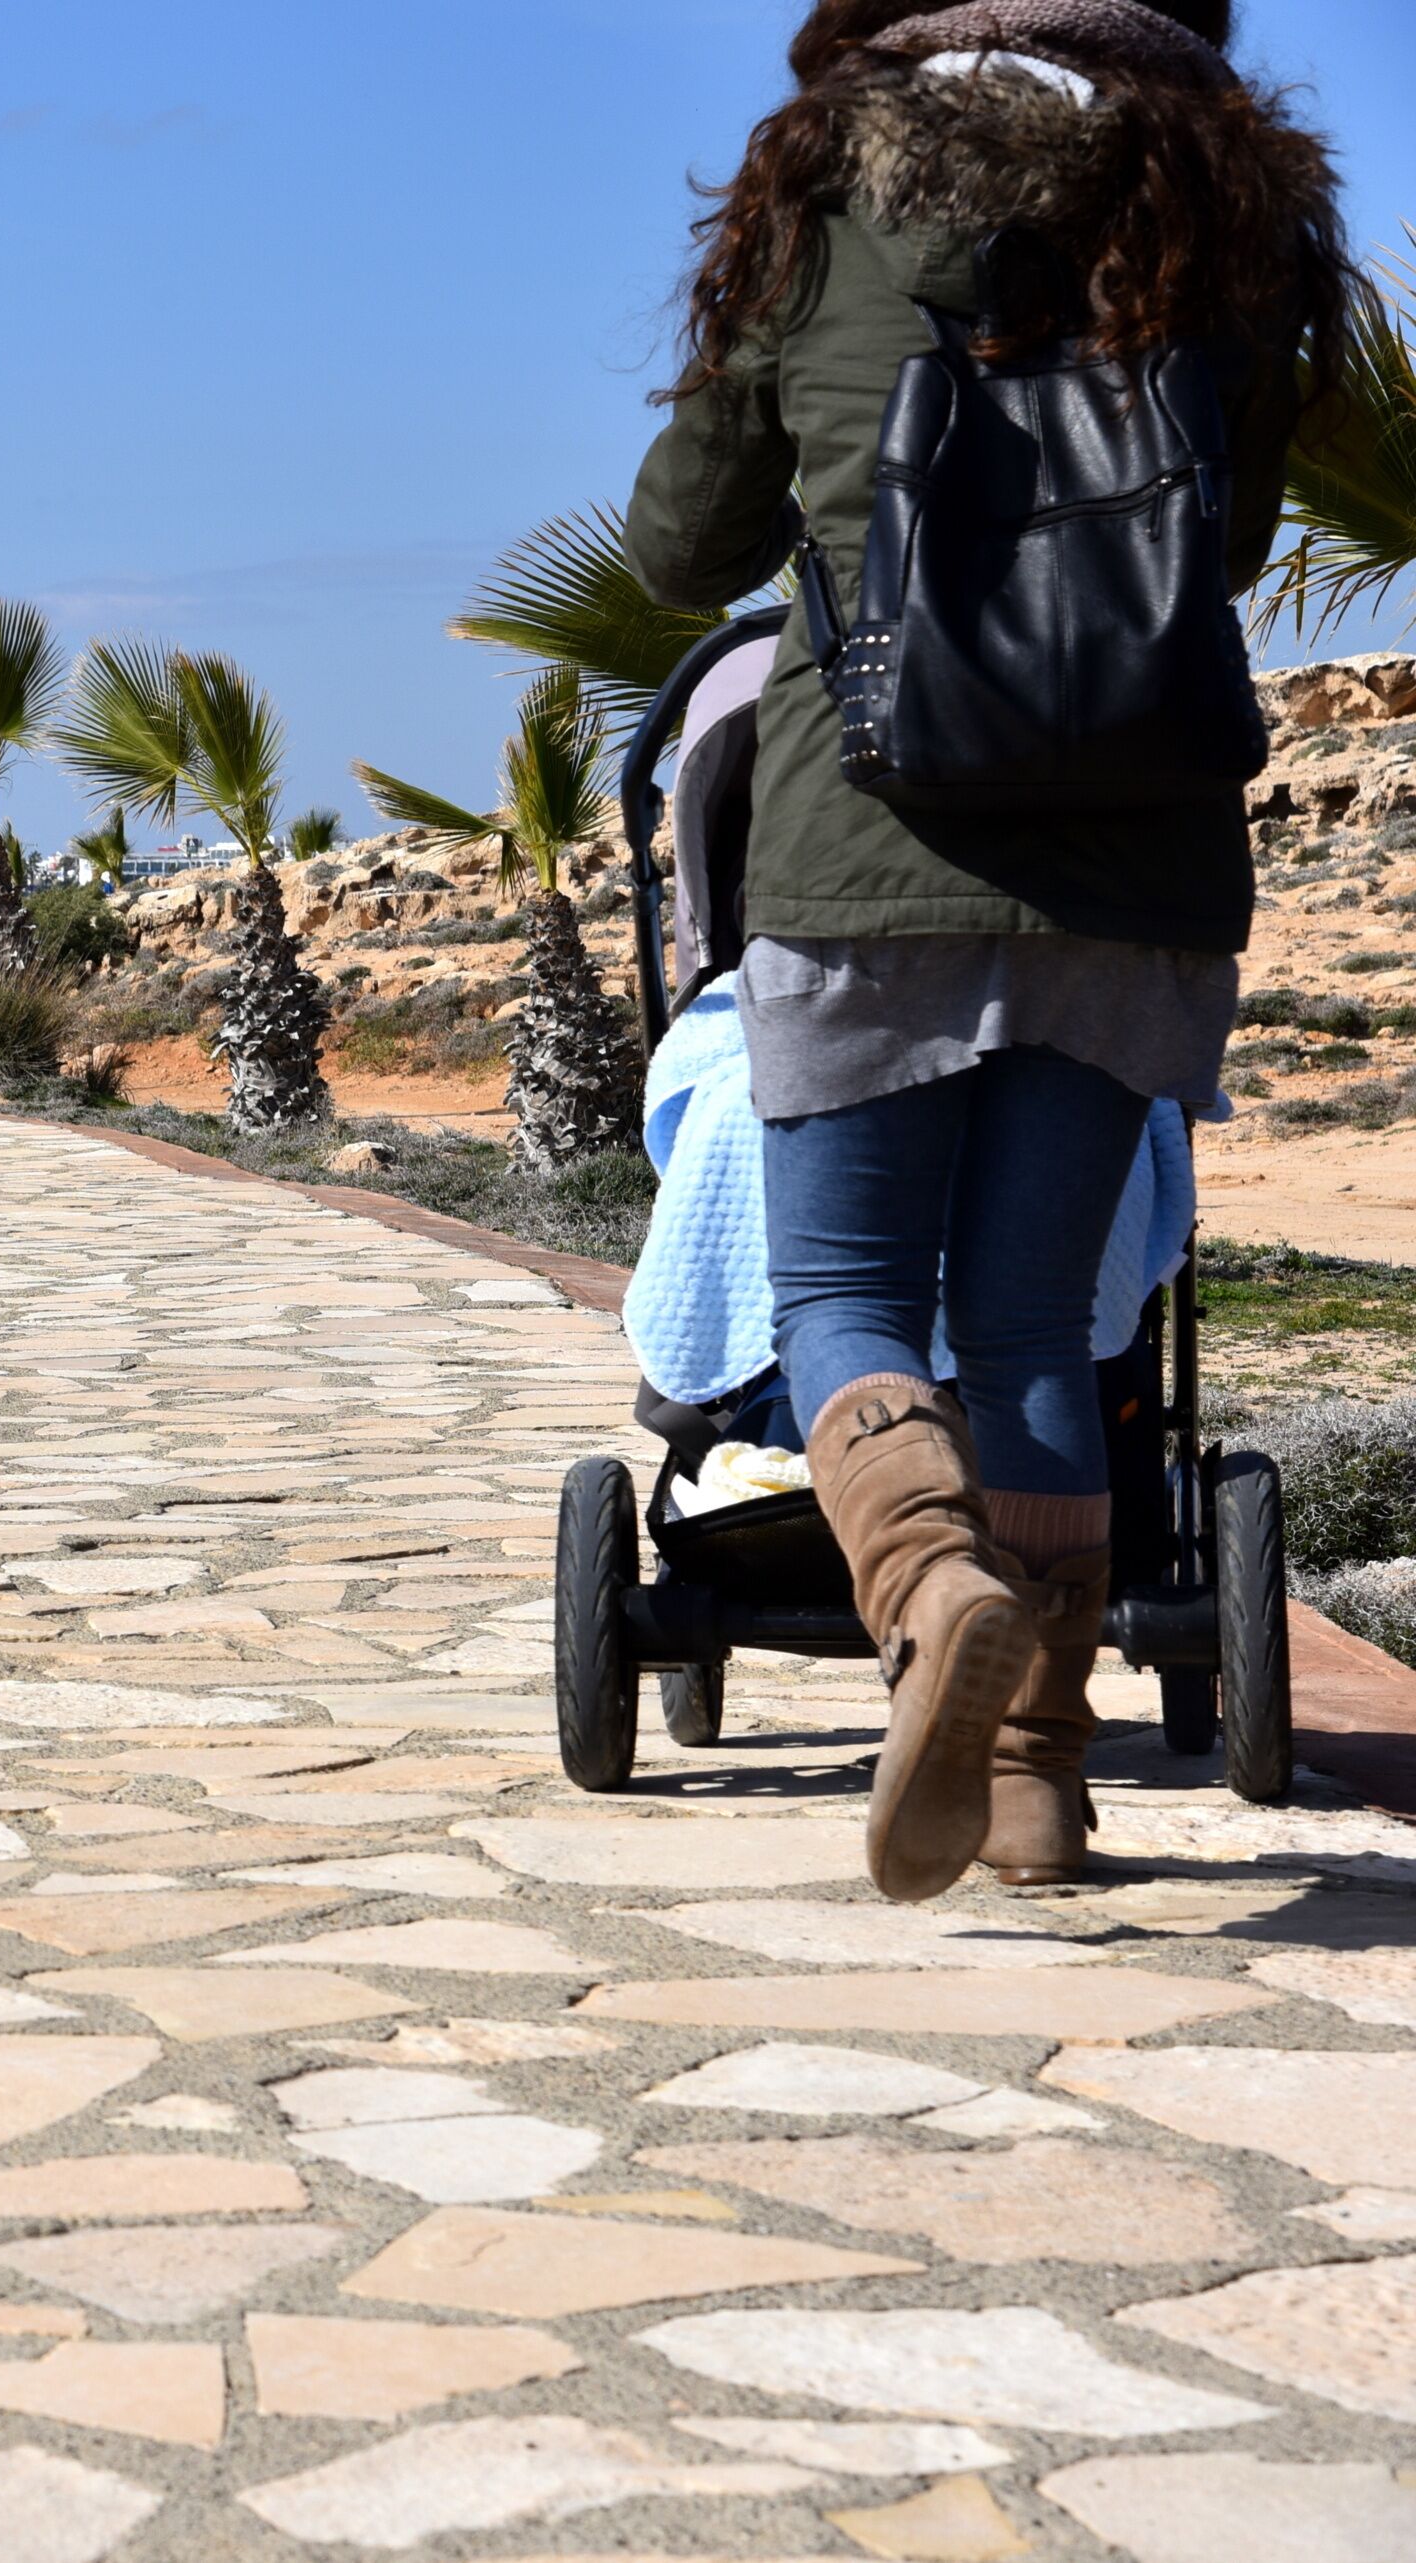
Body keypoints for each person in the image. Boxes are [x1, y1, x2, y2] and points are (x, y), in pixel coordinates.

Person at [625, 0, 1349, 1899]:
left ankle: (934, 1591)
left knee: (845, 1295)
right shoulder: (1226, 215)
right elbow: (1234, 529)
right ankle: (1039, 1788)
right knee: (1040, 1324)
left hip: (871, 845)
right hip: (1138, 868)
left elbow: (677, 550)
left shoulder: (823, 201)